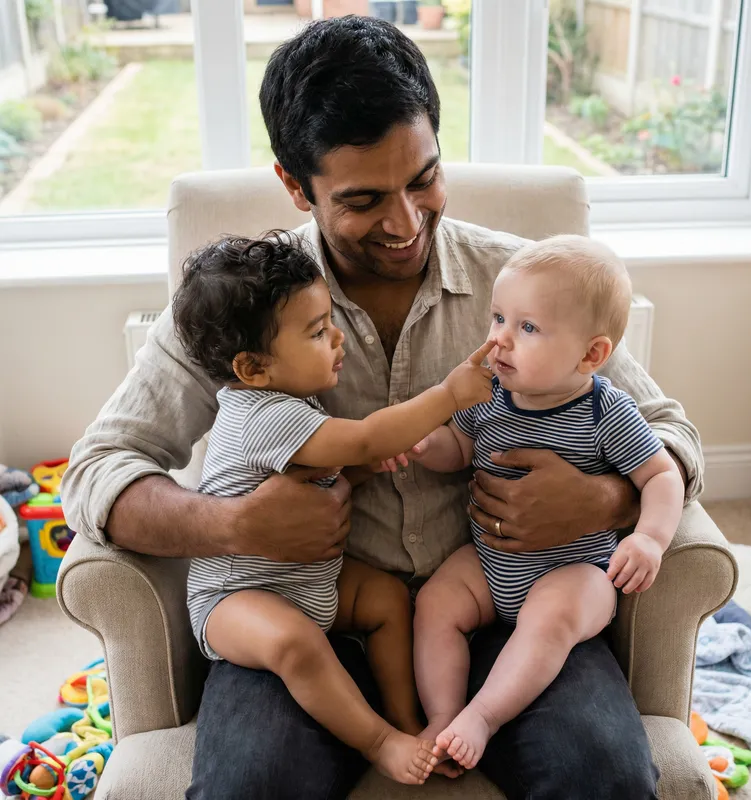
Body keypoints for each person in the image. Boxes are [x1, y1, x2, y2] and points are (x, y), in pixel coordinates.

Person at [62, 15, 704, 800]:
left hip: (510, 600)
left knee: (602, 773)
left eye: (423, 178)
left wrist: (602, 497)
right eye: (365, 199)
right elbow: (98, 469)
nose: (405, 222)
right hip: (307, 614)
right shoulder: (246, 306)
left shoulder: (529, 284)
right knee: (251, 786)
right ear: (296, 186)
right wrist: (233, 526)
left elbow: (667, 432)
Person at [172, 231, 494, 784]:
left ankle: (410, 720)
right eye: (318, 332)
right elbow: (366, 437)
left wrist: (362, 471)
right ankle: (380, 740)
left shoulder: (293, 401)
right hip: (237, 598)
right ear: (253, 368)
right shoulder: (263, 412)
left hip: (306, 584)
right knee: (295, 644)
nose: (337, 339)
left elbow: (336, 466)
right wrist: (450, 396)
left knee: (387, 600)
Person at [409, 235, 685, 771]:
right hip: (491, 565)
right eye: (498, 319)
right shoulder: (487, 394)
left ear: (592, 354)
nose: (501, 341)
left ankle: (483, 716)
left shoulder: (605, 411)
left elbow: (660, 476)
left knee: (552, 614)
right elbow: (459, 448)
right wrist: (425, 442)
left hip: (574, 572)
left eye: (527, 328)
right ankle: (444, 714)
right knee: (436, 603)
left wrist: (649, 538)